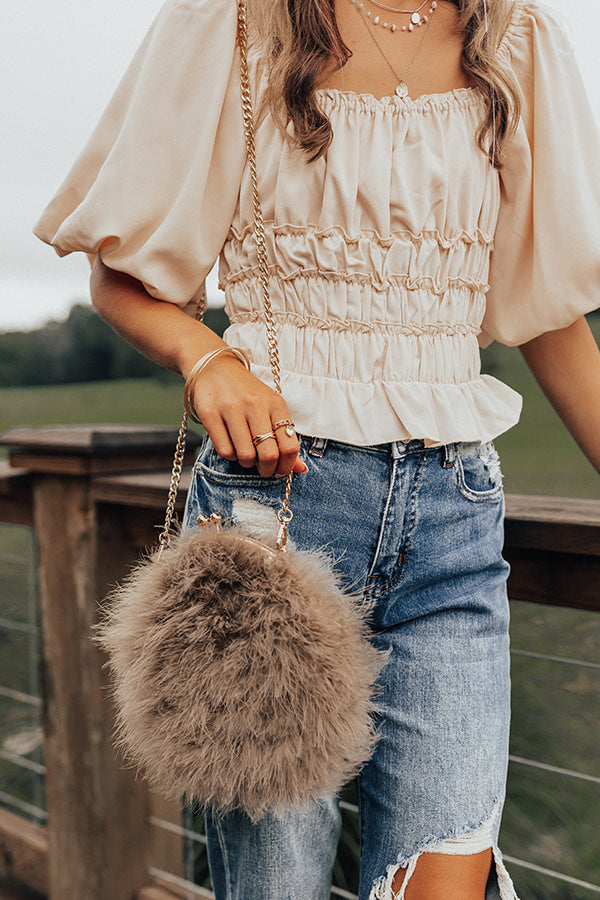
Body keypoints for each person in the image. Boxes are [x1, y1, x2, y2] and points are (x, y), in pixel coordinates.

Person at [33, 0, 600, 896]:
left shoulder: (516, 39)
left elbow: (551, 312)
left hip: (453, 529)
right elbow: (121, 274)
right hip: (272, 522)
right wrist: (209, 360)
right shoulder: (232, 23)